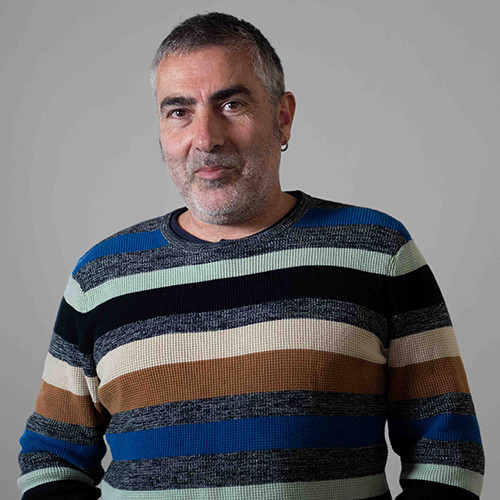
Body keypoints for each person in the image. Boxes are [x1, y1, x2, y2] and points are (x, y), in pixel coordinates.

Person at [18, 12, 484, 500]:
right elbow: (51, 462)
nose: (206, 138)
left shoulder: (377, 251)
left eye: (232, 104)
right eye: (179, 112)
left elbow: (448, 455)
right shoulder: (100, 278)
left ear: (282, 117)